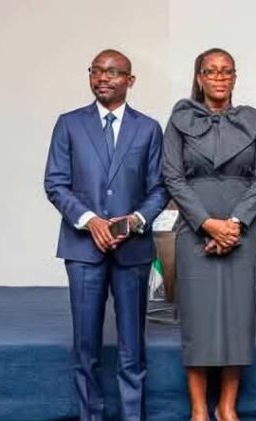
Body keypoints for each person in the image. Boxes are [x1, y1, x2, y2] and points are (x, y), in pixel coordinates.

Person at [44, 49, 167, 421]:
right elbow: (55, 183)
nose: (102, 77)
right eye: (96, 70)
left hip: (133, 251)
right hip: (83, 250)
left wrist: (134, 221)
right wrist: (90, 221)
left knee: (133, 348)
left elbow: (159, 188)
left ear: (130, 80)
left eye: (112, 72)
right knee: (86, 347)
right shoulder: (69, 124)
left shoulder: (148, 128)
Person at [162, 48, 256, 421]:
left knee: (237, 319)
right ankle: (198, 409)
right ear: (199, 78)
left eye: (227, 71)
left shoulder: (254, 121)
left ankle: (227, 406)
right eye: (211, 71)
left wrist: (235, 223)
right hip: (196, 230)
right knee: (199, 319)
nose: (220, 77)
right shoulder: (179, 120)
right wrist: (207, 223)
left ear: (235, 77)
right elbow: (172, 176)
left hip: (243, 231)